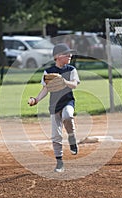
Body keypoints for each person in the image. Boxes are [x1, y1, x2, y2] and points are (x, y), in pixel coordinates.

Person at [28, 43, 80, 173]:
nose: (70, 56)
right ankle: (59, 162)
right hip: (54, 105)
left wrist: (64, 81)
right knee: (56, 135)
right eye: (66, 54)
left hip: (68, 101)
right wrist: (36, 99)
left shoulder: (71, 69)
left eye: (70, 54)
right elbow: (46, 88)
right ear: (57, 56)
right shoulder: (48, 72)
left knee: (68, 116)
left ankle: (72, 137)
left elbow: (74, 85)